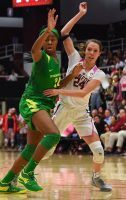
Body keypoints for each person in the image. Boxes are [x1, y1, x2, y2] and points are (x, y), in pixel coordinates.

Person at [43, 2, 112, 192]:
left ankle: (96, 178)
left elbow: (82, 93)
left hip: (81, 113)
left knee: (98, 150)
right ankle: (24, 172)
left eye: (95, 50)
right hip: (63, 109)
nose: (91, 52)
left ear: (99, 54)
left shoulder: (99, 74)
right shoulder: (74, 58)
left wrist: (58, 91)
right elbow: (63, 33)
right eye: (89, 49)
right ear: (85, 50)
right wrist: (80, 14)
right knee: (46, 151)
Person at [0, 9, 64, 193]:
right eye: (46, 39)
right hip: (33, 102)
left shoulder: (56, 61)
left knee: (30, 148)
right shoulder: (41, 57)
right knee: (54, 135)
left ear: (57, 42)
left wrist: (71, 76)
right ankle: (28, 173)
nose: (49, 42)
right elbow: (34, 49)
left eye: (52, 39)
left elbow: (56, 85)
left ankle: (5, 183)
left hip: (44, 105)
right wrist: (47, 30)